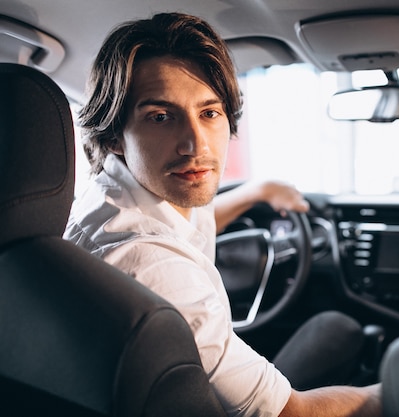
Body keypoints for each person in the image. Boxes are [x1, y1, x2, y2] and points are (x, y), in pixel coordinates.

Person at [63, 12, 381, 417]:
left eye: (209, 113)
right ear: (114, 136)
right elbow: (290, 413)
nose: (195, 145)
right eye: (161, 117)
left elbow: (191, 221)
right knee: (341, 331)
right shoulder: (150, 264)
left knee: (336, 329)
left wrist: (257, 192)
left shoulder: (119, 196)